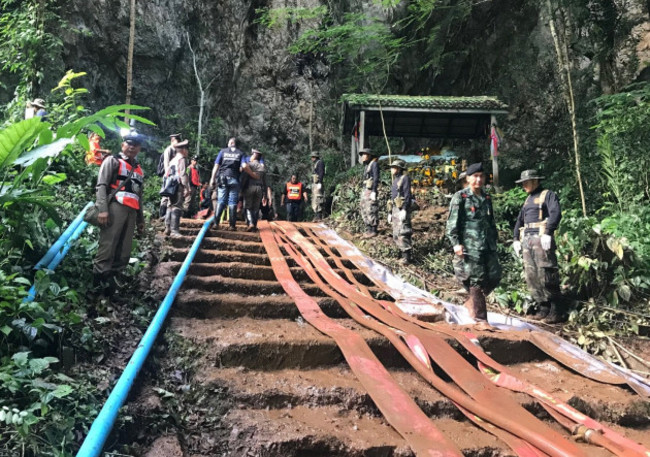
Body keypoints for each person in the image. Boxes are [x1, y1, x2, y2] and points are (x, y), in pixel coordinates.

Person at [446, 162, 501, 322]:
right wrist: (456, 243)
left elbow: (490, 221)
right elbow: (452, 223)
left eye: (481, 176)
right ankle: (480, 318)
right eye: (475, 176)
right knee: (476, 279)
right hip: (470, 246)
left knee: (495, 275)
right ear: (469, 178)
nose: (478, 179)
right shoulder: (461, 197)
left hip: (487, 245)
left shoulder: (486, 197)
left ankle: (471, 302)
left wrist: (495, 240)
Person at [92, 133, 145, 298]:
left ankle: (112, 289)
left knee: (124, 251)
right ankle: (98, 291)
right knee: (107, 248)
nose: (132, 147)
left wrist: (140, 220)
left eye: (135, 145)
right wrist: (103, 209)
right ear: (123, 144)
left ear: (139, 148)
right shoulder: (112, 161)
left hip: (131, 212)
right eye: (129, 143)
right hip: (115, 208)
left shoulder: (139, 169)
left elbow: (139, 195)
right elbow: (101, 185)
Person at [512, 169, 564, 323]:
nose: (524, 186)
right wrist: (515, 238)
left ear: (535, 181)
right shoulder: (528, 200)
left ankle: (556, 310)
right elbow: (520, 220)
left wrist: (548, 232)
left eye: (526, 182)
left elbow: (556, 213)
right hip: (527, 239)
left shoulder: (547, 195)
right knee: (531, 274)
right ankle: (543, 307)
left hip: (541, 239)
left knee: (546, 272)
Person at [209, 137, 246, 231]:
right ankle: (232, 226)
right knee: (232, 202)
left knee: (221, 201)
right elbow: (244, 167)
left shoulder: (223, 152)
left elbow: (216, 166)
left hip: (223, 178)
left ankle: (216, 223)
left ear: (230, 143)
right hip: (234, 179)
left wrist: (212, 179)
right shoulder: (240, 153)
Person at [389, 160, 413, 264]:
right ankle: (401, 253)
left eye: (393, 167)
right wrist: (390, 212)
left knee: (403, 232)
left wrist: (404, 209)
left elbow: (407, 195)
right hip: (395, 208)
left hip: (402, 208)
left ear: (399, 169)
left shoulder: (405, 178)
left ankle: (406, 257)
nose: (392, 169)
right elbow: (392, 197)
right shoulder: (395, 180)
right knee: (396, 232)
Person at [164, 140, 190, 237]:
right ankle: (174, 230)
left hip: (170, 185)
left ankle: (167, 228)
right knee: (177, 206)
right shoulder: (182, 159)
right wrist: (186, 188)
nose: (187, 152)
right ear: (183, 150)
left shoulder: (173, 160)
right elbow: (183, 174)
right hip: (178, 185)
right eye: (187, 150)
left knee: (170, 205)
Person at [242, 149, 268, 231]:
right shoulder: (262, 168)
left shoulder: (249, 165)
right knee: (256, 207)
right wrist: (265, 195)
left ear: (254, 156)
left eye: (252, 155)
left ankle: (251, 223)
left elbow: (244, 179)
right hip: (259, 189)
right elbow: (265, 183)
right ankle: (255, 225)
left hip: (250, 187)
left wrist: (241, 189)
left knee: (248, 206)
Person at [159, 134, 181, 219]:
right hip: (169, 175)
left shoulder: (177, 151)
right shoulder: (169, 150)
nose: (178, 143)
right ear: (172, 141)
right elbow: (166, 163)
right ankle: (162, 214)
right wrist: (167, 175)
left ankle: (168, 215)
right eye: (177, 141)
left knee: (171, 196)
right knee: (165, 195)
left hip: (175, 176)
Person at [359, 148, 379, 238]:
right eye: (362, 155)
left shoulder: (374, 164)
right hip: (365, 190)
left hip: (370, 190)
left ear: (369, 155)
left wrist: (374, 191)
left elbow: (376, 178)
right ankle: (368, 229)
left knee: (371, 209)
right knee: (364, 208)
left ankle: (373, 230)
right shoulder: (367, 166)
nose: (363, 156)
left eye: (364, 154)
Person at [310, 151, 325, 221]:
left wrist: (320, 182)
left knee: (318, 199)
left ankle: (319, 216)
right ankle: (316, 215)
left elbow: (321, 173)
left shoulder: (320, 163)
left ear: (315, 157)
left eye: (313, 157)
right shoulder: (316, 163)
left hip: (318, 184)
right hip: (314, 184)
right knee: (314, 199)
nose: (312, 158)